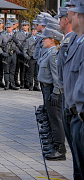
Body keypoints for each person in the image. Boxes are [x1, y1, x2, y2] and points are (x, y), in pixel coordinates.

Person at [61, 0, 84, 173]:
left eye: (73, 12)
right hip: (73, 111)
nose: (69, 16)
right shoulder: (75, 40)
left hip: (80, 116)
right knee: (77, 167)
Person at [37, 25, 65, 161]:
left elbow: (56, 76)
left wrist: (56, 92)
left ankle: (60, 149)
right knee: (51, 117)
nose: (43, 40)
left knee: (56, 120)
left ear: (52, 40)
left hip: (51, 90)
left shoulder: (53, 54)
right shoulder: (48, 52)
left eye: (45, 39)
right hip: (46, 88)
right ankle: (54, 145)